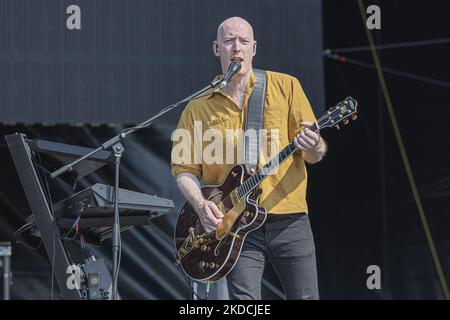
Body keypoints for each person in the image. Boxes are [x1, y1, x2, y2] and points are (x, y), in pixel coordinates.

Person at [171, 17, 327, 300]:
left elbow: (314, 156)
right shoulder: (197, 108)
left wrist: (314, 144)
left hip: (289, 219)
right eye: (229, 41)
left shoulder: (286, 87)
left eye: (244, 42)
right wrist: (201, 204)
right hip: (235, 225)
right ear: (217, 49)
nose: (237, 48)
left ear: (254, 49)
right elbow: (183, 169)